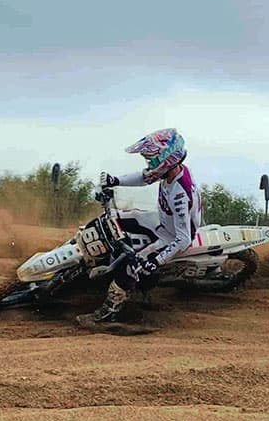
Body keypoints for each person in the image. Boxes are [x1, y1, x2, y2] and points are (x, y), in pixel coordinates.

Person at [79, 128, 202, 323]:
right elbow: (145, 178)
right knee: (109, 221)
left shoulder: (180, 195)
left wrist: (156, 261)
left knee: (130, 265)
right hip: (160, 221)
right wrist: (115, 181)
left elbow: (184, 238)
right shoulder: (170, 171)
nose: (149, 163)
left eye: (151, 159)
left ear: (166, 158)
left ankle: (109, 313)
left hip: (170, 237)